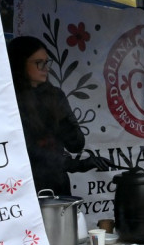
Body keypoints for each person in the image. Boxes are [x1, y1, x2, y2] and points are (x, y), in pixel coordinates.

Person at [8, 35, 113, 195]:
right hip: (26, 187)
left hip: (58, 184)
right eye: (39, 63)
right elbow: (33, 154)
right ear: (20, 64)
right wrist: (81, 165)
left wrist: (61, 114)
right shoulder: (10, 101)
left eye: (46, 62)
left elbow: (76, 144)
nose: (46, 68)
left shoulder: (54, 95)